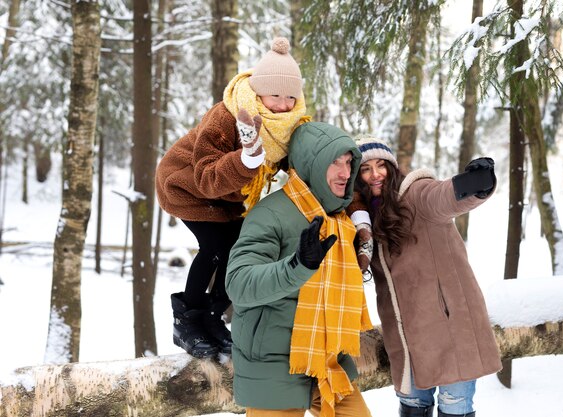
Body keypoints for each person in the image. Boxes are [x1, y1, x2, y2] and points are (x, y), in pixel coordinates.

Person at [155, 37, 309, 358]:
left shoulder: (285, 123)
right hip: (187, 186)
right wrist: (246, 160)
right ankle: (186, 323)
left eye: (290, 97)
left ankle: (213, 318)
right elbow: (207, 177)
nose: (282, 104)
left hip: (228, 198)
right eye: (275, 95)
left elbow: (288, 158)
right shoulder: (227, 116)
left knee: (239, 248)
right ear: (258, 92)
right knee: (215, 246)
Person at [225, 122, 374, 417]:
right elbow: (238, 284)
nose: (345, 173)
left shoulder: (341, 219)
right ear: (311, 164)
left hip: (329, 360)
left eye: (348, 162)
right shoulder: (269, 214)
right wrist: (298, 266)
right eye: (335, 162)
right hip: (274, 365)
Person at [352, 135, 502, 417]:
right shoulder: (364, 220)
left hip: (449, 332)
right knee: (412, 408)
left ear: (393, 168)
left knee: (454, 408)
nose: (375, 175)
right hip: (406, 342)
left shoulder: (416, 196)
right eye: (365, 168)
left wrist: (477, 183)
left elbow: (444, 197)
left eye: (381, 165)